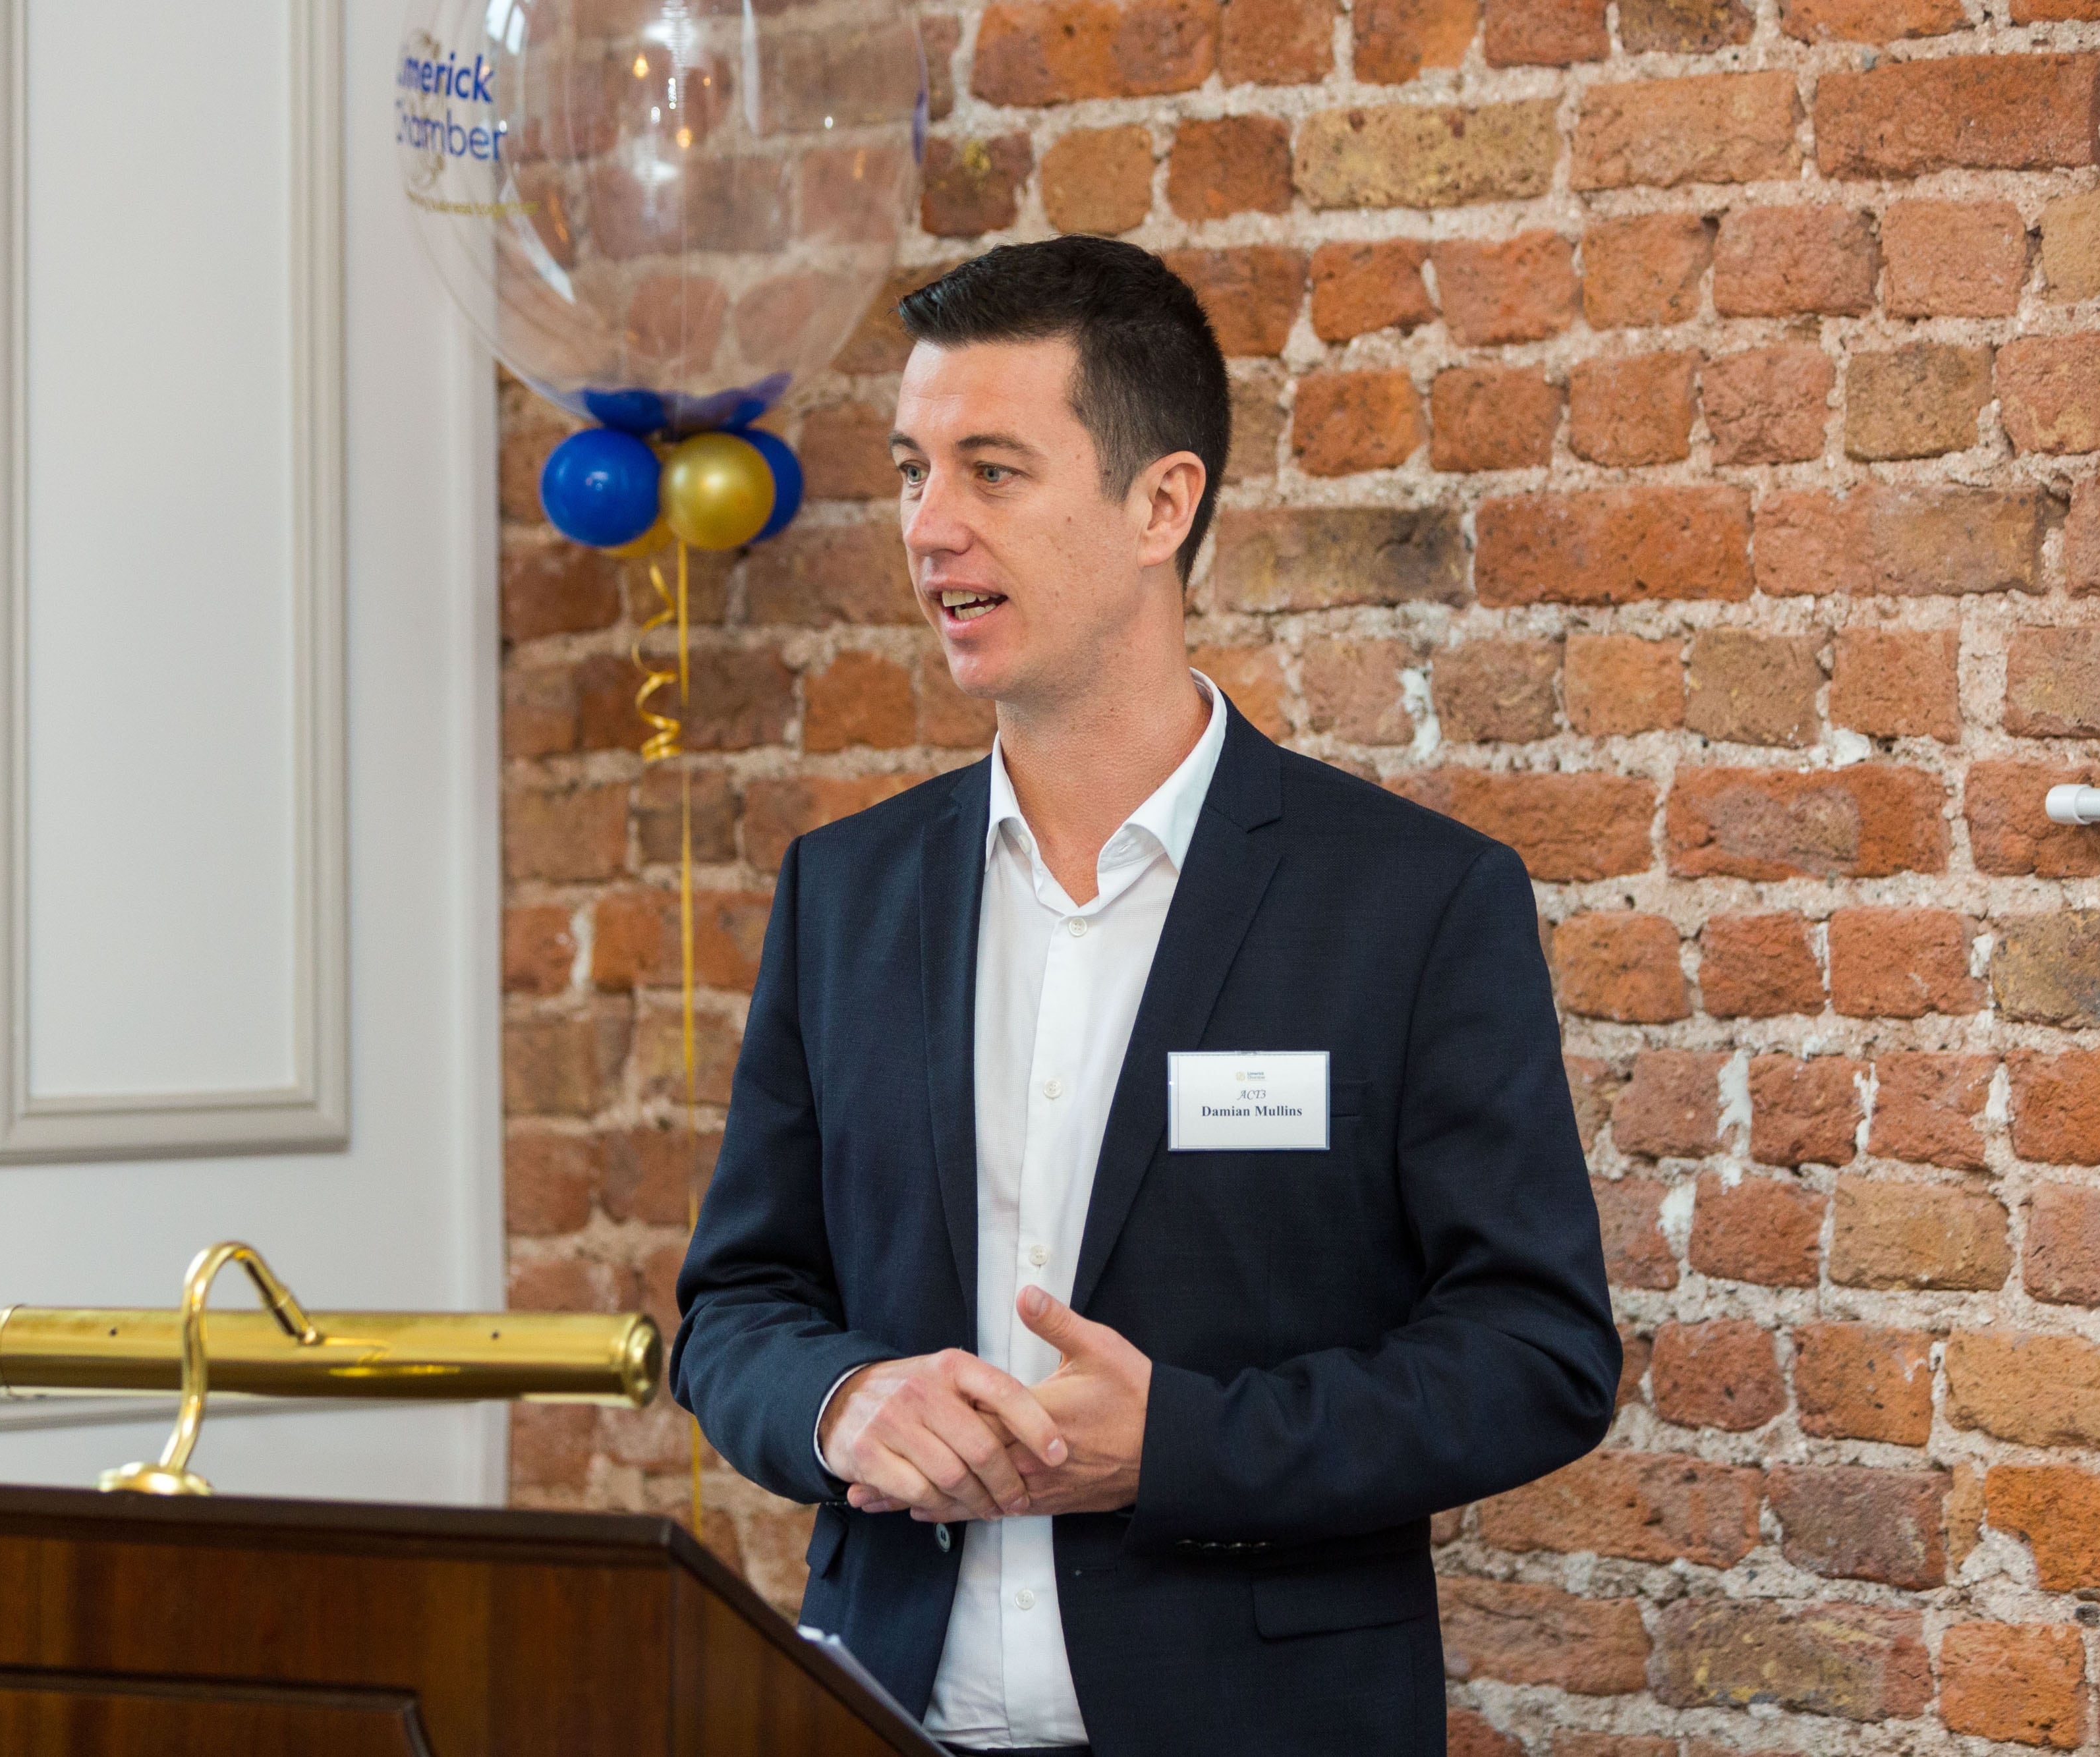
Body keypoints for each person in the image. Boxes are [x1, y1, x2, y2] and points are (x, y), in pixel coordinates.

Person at [671, 236, 1618, 1757]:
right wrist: (842, 1400)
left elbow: (1535, 1353)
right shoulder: (842, 890)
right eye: (911, 469)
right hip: (873, 1713)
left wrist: (1184, 1443)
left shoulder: (1414, 900)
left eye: (990, 470)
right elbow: (732, 1307)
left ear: (1158, 505)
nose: (927, 526)